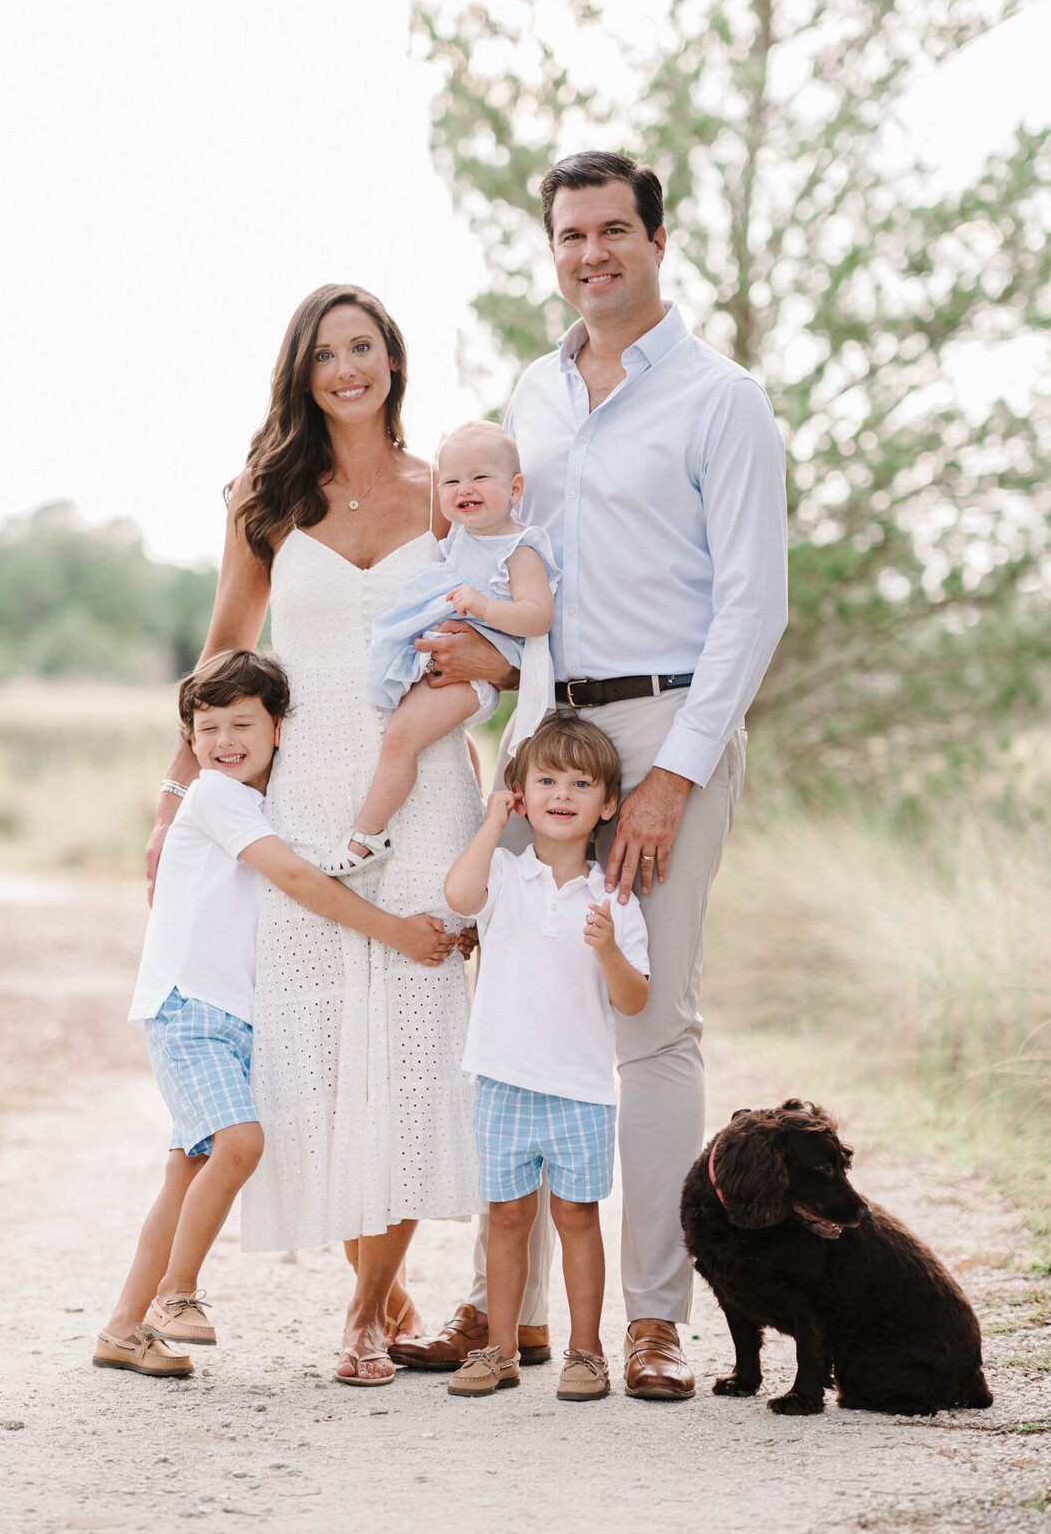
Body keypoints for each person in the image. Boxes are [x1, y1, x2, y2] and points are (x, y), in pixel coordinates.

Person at [390, 151, 789, 1400]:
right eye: (571, 234)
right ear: (552, 247)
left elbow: (752, 604)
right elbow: (522, 567)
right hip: (546, 730)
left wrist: (673, 773)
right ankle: (497, 1304)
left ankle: (656, 1318)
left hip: (670, 726)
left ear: (658, 240)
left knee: (646, 1016)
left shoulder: (724, 400)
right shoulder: (531, 396)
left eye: (615, 229)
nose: (591, 252)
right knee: (508, 986)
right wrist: (489, 667)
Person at [144, 285, 485, 1387]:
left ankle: (361, 1316)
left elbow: (505, 636)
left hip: (425, 788)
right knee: (316, 1055)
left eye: (365, 346)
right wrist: (173, 797)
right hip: (302, 795)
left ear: (394, 359)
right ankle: (385, 1285)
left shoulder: (449, 496)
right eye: (327, 353)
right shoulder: (270, 499)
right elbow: (221, 652)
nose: (348, 367)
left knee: (414, 1042)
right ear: (302, 372)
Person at [96, 649, 454, 1380]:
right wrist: (397, 932)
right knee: (239, 1144)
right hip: (190, 1006)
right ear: (189, 740)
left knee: (188, 1168)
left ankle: (123, 1330)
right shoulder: (216, 798)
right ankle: (177, 1294)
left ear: (279, 728)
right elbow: (295, 878)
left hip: (231, 1014)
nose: (223, 741)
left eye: (241, 724)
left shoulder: (264, 804)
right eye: (206, 728)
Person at [443, 714, 648, 1401]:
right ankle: (499, 1347)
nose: (562, 794)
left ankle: (585, 1353)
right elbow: (459, 897)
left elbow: (635, 1001)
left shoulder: (614, 897)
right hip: (502, 1079)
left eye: (581, 783)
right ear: (521, 794)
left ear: (608, 805)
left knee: (577, 1217)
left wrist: (608, 949)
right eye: (546, 780)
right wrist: (492, 821)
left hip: (581, 1089)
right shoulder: (502, 870)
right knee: (505, 1217)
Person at [321, 420, 558, 877]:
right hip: (447, 658)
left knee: (400, 738)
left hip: (477, 669)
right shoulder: (462, 540)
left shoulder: (519, 549)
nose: (464, 488)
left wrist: (485, 605)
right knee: (408, 734)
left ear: (515, 489)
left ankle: (368, 835)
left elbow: (537, 615)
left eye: (479, 478)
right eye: (451, 481)